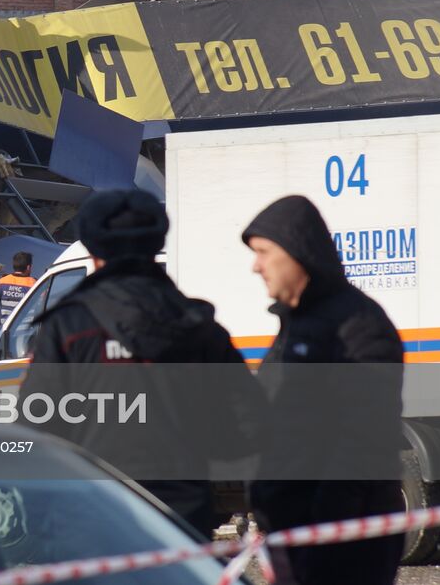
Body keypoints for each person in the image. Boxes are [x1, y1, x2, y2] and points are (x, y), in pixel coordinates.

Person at [20, 189, 261, 536]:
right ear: (157, 241)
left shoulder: (69, 327)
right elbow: (246, 430)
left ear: (92, 248)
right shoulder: (199, 327)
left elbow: (37, 431)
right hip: (183, 522)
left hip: (95, 521)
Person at [241, 196, 405, 585]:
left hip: (339, 546)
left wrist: (320, 536)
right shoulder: (296, 326)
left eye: (263, 252)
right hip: (296, 539)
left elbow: (361, 443)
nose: (255, 266)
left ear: (298, 252)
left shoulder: (359, 327)